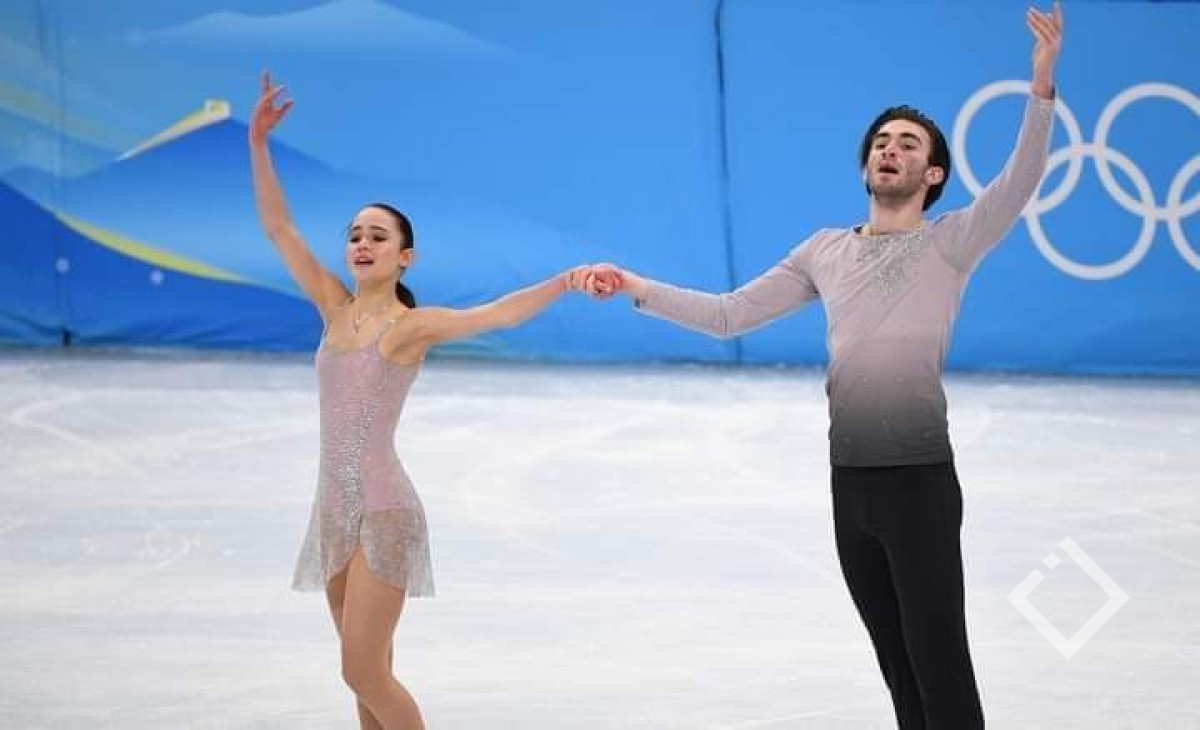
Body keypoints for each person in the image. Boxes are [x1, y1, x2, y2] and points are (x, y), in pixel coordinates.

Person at [580, 5, 1064, 727]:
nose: (890, 150)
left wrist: (1041, 84)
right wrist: (636, 286)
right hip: (850, 483)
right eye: (881, 142)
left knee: (939, 663)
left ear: (932, 173)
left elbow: (1020, 180)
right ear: (866, 163)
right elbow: (729, 315)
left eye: (907, 144)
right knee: (899, 669)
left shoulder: (952, 241)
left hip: (919, 481)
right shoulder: (824, 250)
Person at [249, 71, 594, 730]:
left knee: (363, 671)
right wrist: (258, 144)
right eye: (355, 234)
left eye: (378, 236)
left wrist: (563, 282)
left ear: (405, 257)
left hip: (385, 513)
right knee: (366, 674)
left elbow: (495, 313)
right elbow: (279, 228)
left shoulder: (410, 328)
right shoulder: (333, 308)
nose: (362, 243)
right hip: (333, 511)